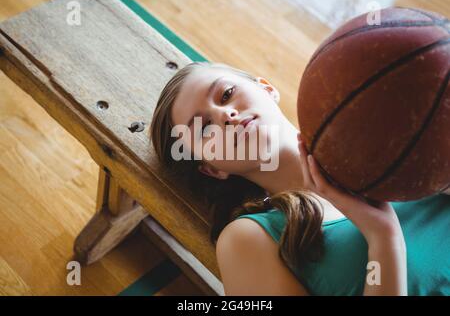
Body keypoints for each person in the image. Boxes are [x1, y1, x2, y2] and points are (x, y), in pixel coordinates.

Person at [150, 61, 450, 295]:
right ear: (213, 169)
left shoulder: (382, 137)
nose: (225, 116)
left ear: (266, 88)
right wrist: (384, 238)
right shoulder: (247, 240)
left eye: (227, 94)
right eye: (204, 130)